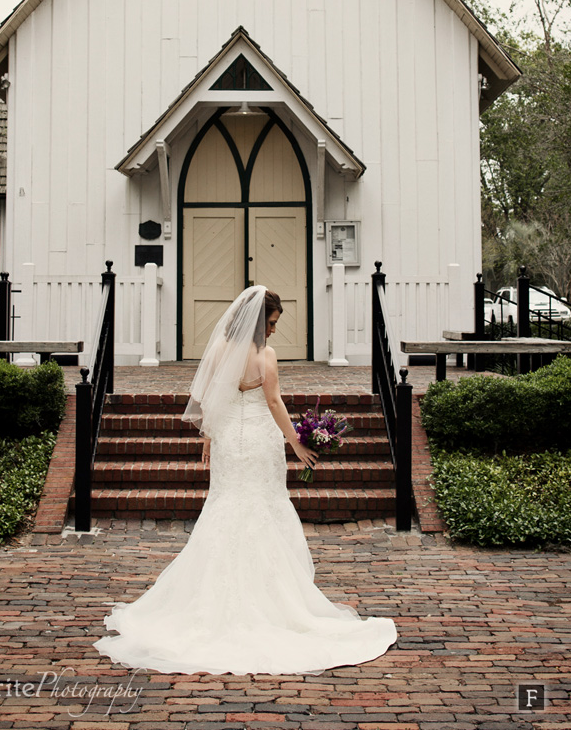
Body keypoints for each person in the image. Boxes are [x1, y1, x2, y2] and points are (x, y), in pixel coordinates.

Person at [93, 285, 397, 675]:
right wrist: (298, 444)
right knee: (263, 509)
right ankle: (270, 603)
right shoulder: (265, 356)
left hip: (227, 446)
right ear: (257, 322)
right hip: (256, 443)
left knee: (226, 508)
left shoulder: (220, 348)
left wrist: (207, 437)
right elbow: (274, 403)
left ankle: (211, 600)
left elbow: (207, 396)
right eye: (270, 324)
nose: (273, 332)